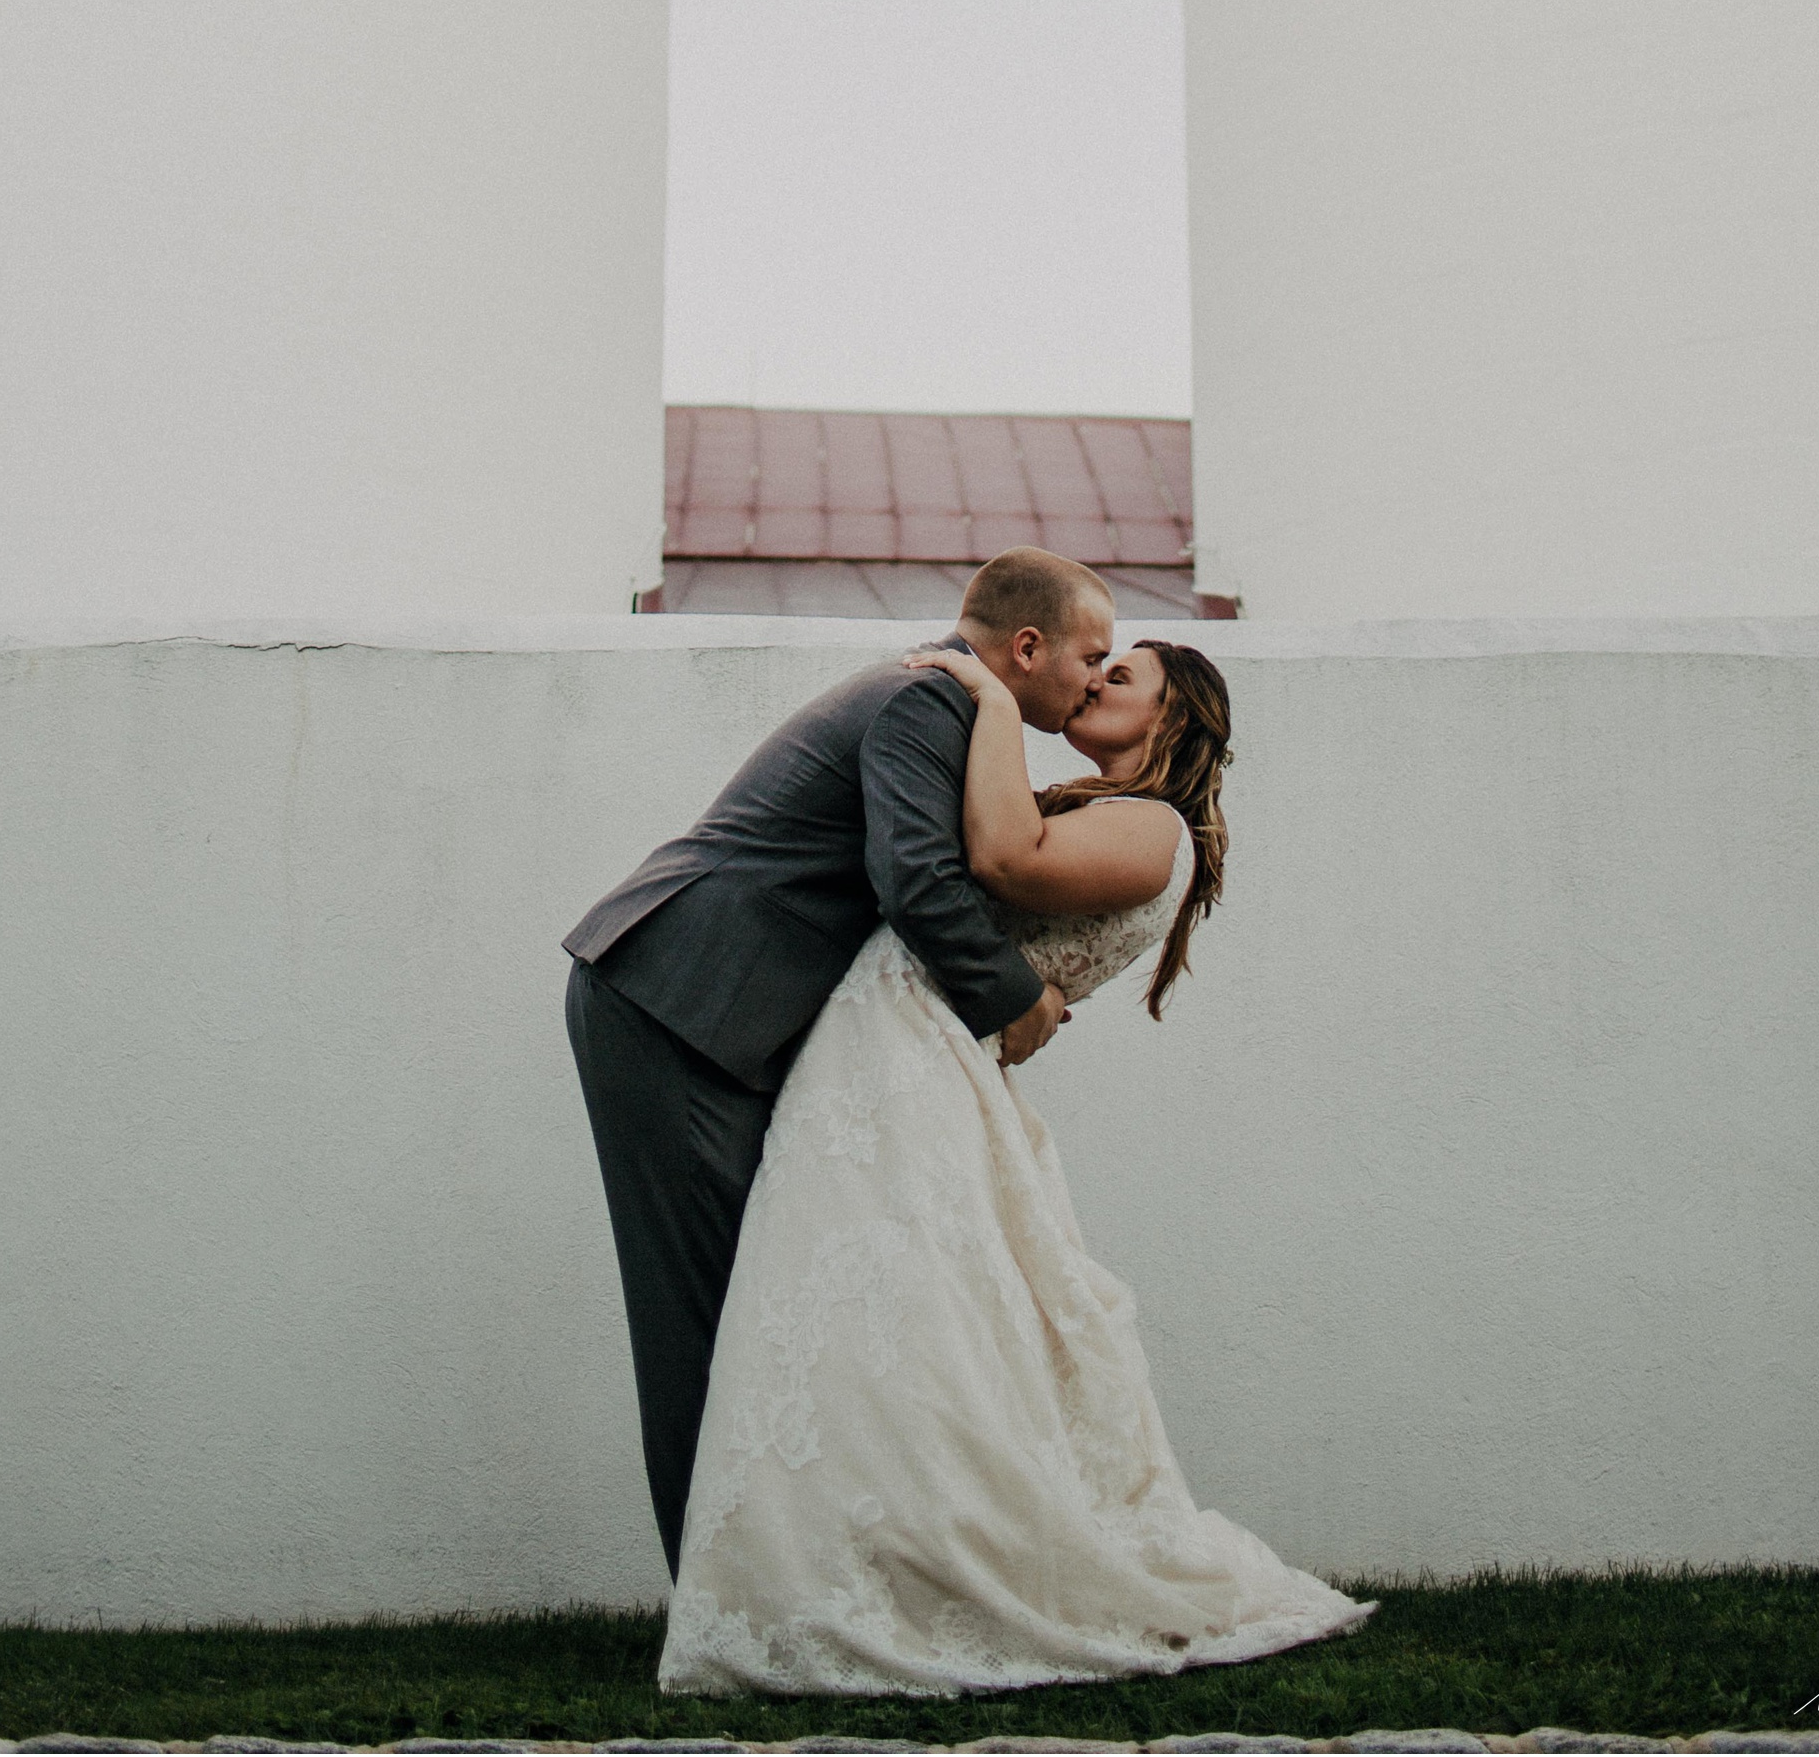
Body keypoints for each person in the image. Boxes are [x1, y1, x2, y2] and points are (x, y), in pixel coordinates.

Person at [658, 621, 1374, 1698]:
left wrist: (991, 699)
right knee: (862, 1332)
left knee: (901, 1326)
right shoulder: (1103, 807)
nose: (1095, 677)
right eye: (1096, 662)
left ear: (1171, 714)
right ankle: (847, 1568)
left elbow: (998, 861)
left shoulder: (1151, 831)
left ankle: (927, 1575)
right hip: (884, 1054)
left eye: (1119, 674)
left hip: (917, 1062)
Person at [562, 545, 1113, 1575]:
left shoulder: (956, 707)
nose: (1095, 678)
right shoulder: (926, 704)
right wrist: (1017, 1000)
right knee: (704, 1315)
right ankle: (720, 1604)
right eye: (1092, 655)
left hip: (708, 1007)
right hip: (675, 1000)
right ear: (1026, 646)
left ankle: (765, 1582)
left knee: (753, 1301)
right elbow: (915, 877)